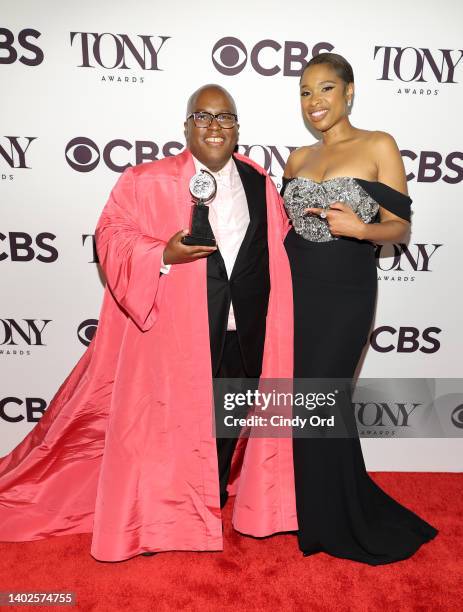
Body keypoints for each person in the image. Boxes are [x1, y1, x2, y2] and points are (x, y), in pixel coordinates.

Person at [0, 84, 298, 562]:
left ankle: (211, 500)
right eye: (204, 116)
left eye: (226, 118)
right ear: (186, 126)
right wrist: (163, 253)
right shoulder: (146, 180)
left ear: (238, 129)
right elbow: (111, 235)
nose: (215, 126)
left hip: (245, 328)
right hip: (177, 330)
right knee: (168, 425)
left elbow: (279, 249)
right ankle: (160, 517)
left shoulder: (259, 182)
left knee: (228, 421)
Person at [282, 53, 438, 565]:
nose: (315, 102)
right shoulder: (297, 158)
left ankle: (341, 521)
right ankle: (321, 511)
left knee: (321, 392)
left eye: (326, 89)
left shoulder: (378, 145)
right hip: (296, 287)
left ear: (349, 92)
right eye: (306, 92)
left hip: (345, 288)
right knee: (308, 403)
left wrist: (362, 230)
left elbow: (399, 226)